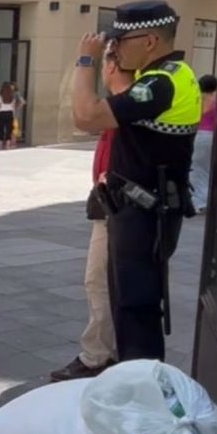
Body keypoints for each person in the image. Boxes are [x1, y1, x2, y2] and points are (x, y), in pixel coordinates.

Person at [72, 0, 200, 362]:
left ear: (149, 41)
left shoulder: (160, 83)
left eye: (120, 41)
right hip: (140, 208)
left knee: (135, 308)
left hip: (144, 212)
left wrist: (86, 61)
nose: (114, 48)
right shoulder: (164, 75)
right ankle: (135, 378)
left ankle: (141, 383)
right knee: (129, 304)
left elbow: (86, 116)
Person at [51, 55, 135, 382]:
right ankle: (109, 351)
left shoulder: (121, 106)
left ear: (111, 67)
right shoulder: (127, 104)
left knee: (98, 280)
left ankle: (98, 354)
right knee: (106, 280)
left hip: (117, 206)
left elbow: (83, 117)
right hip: (113, 203)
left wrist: (84, 59)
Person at [191, 75, 217, 214]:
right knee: (207, 169)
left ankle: (199, 201)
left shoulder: (195, 99)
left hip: (198, 134)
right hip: (212, 136)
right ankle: (206, 200)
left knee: (196, 169)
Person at [0, 83, 25, 151]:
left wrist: (1, 108)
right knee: (9, 129)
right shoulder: (12, 97)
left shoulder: (0, 97)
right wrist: (16, 107)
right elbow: (14, 105)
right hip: (10, 113)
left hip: (2, 113)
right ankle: (8, 144)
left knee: (1, 128)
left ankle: (0, 143)